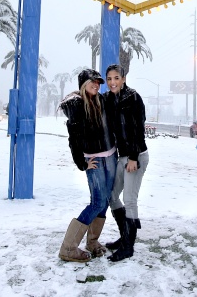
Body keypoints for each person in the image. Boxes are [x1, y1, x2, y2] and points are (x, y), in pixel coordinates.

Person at [58, 69, 117, 262]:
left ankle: (92, 242)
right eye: (93, 81)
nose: (97, 85)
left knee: (105, 201)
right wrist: (82, 162)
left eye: (99, 82)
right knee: (97, 202)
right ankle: (68, 247)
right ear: (84, 83)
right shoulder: (77, 106)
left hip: (110, 157)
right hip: (95, 160)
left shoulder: (101, 101)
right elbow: (73, 139)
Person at [103, 64, 149, 262]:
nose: (112, 82)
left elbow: (138, 129)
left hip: (135, 156)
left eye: (116, 78)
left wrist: (133, 157)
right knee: (113, 195)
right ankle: (125, 237)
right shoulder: (109, 99)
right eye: (109, 79)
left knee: (130, 199)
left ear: (123, 78)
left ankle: (128, 247)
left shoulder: (133, 98)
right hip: (121, 156)